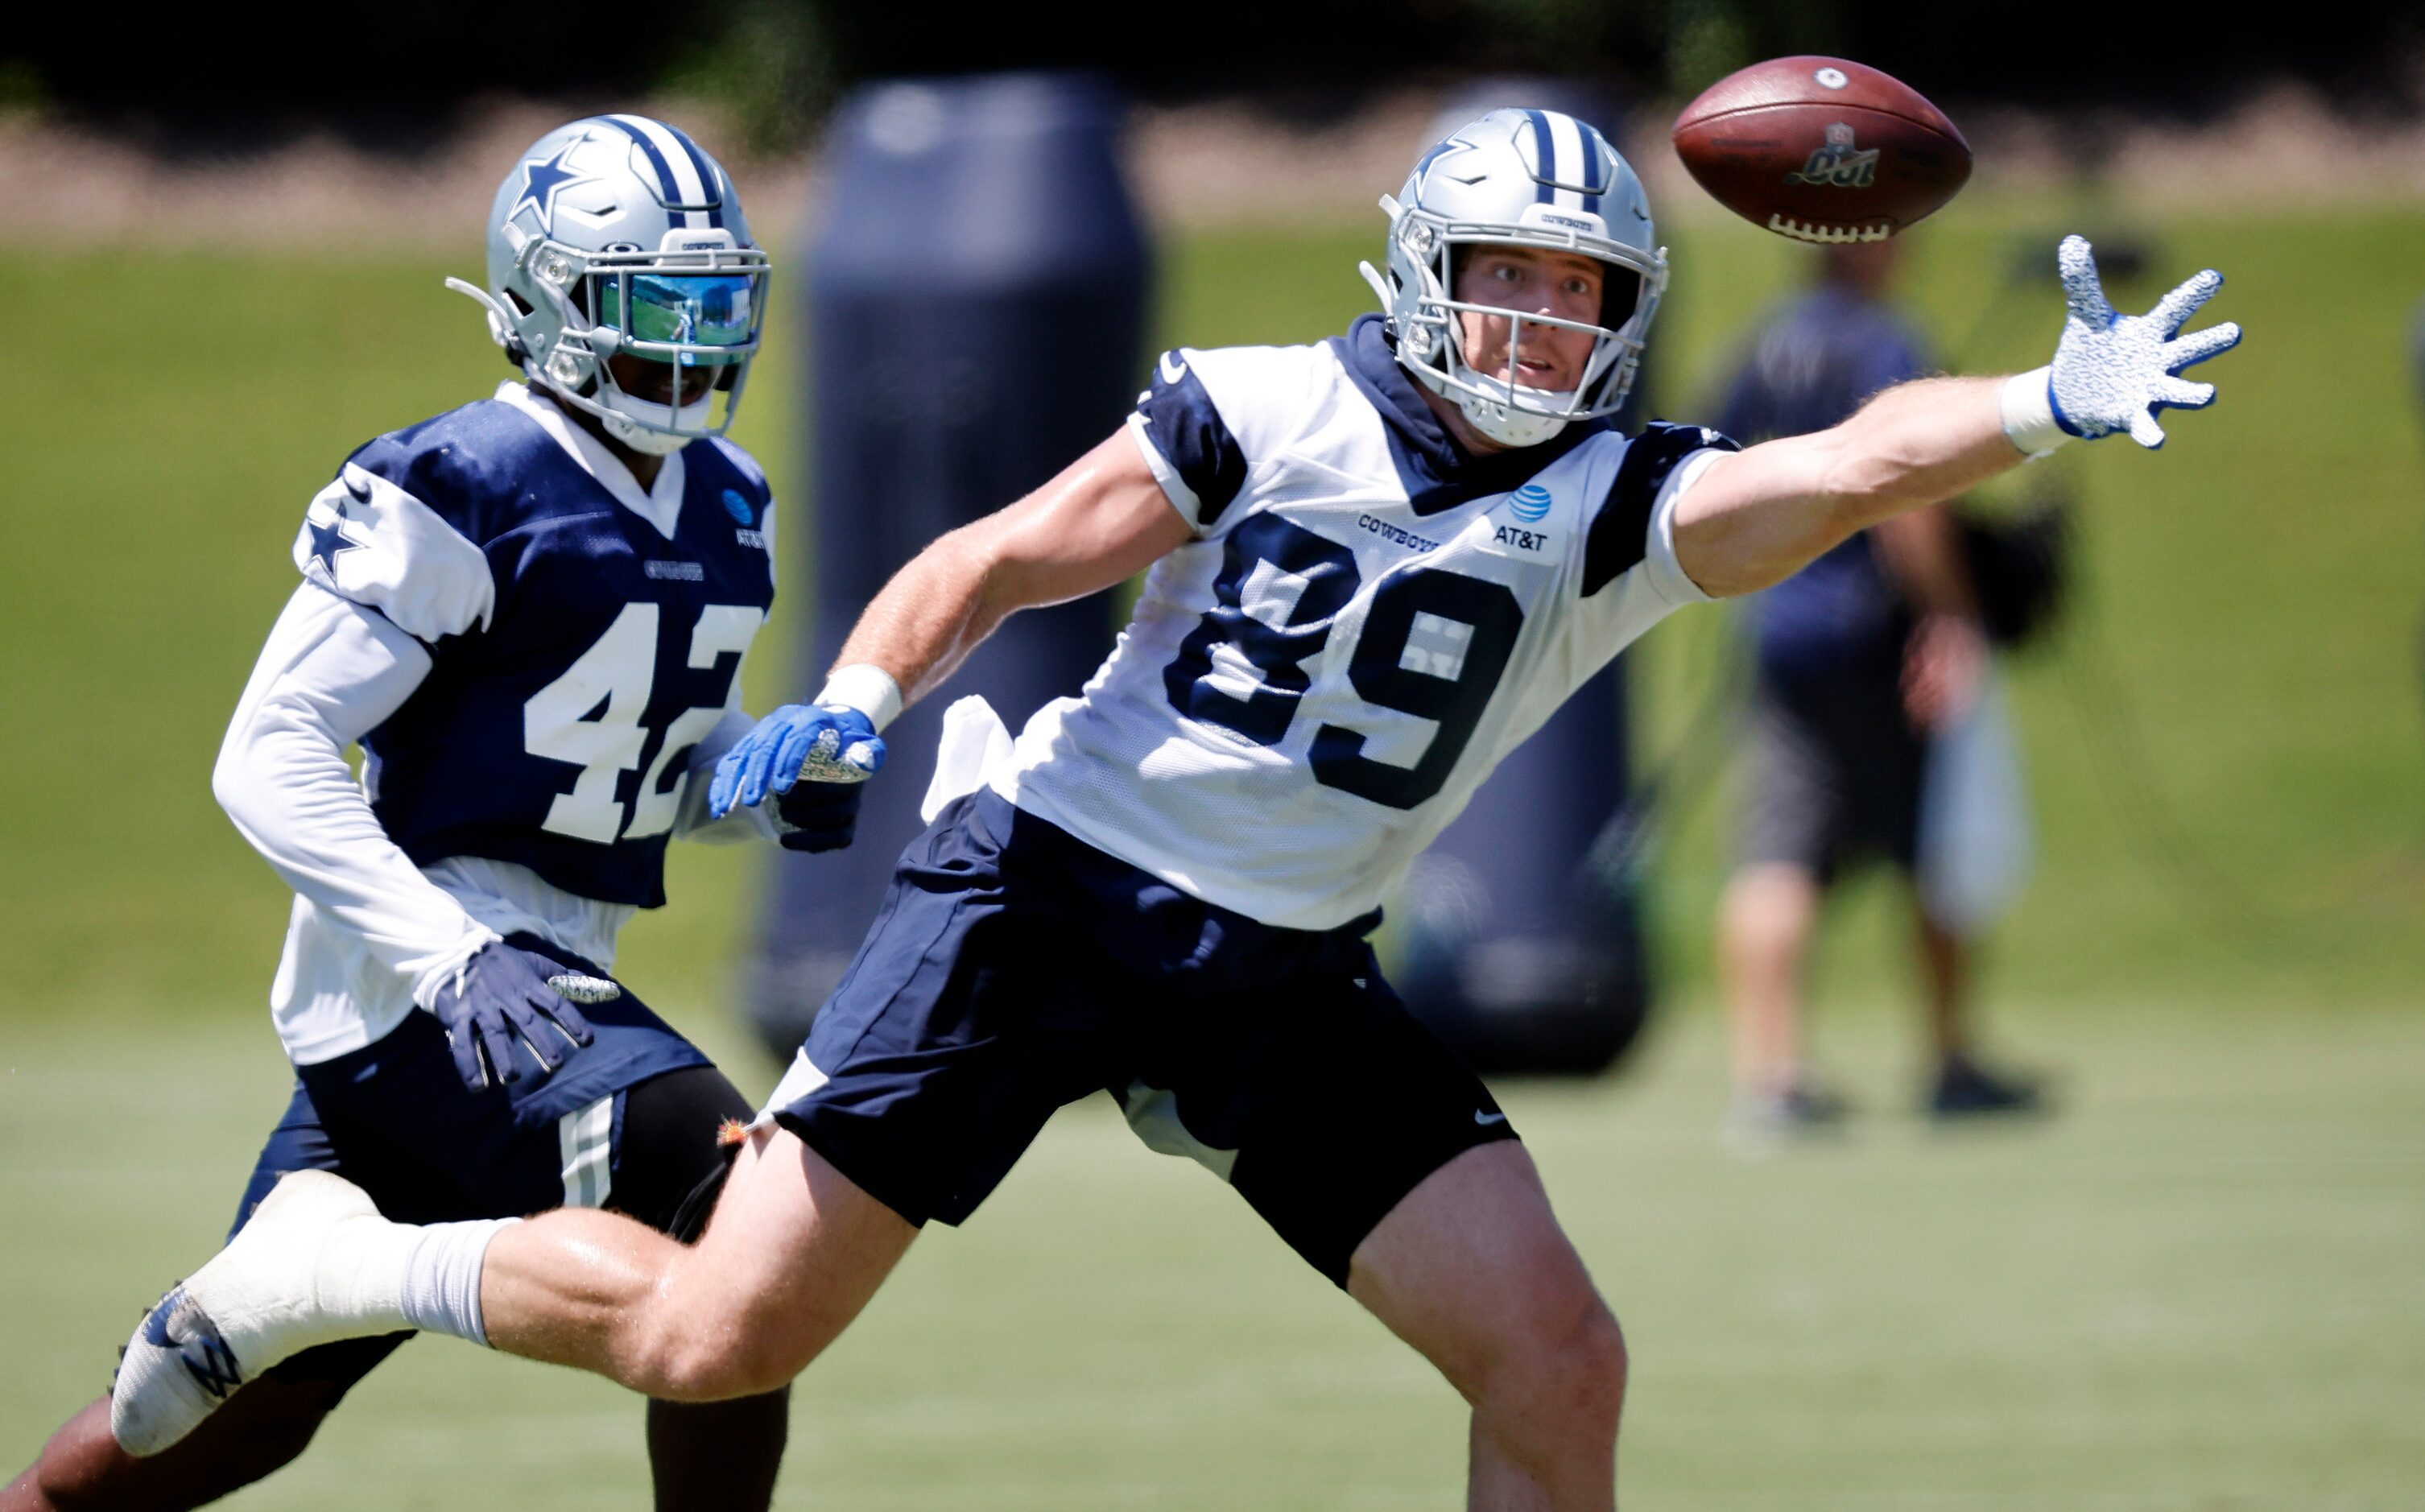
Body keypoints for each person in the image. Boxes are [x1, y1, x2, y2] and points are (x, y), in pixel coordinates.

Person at [107, 108, 2240, 1509]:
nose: (1537, 319)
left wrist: (2041, 404)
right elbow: (1000, 557)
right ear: (1419, 263)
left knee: (1559, 1359)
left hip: (1282, 975)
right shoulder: (1268, 401)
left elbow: (1853, 459)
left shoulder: (1612, 501)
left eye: (1580, 292)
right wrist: (860, 695)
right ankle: (335, 1269)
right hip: (1037, 896)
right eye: (1503, 273)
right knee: (711, 1330)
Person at [3, 115, 843, 1512]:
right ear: (550, 305)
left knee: (230, 1426)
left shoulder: (727, 498)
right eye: (655, 308)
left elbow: (654, 757)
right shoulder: (461, 482)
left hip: (522, 981)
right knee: (736, 1219)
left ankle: (308, 1273)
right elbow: (269, 750)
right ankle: (332, 1263)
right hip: (436, 975)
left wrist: (766, 783)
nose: (694, 346)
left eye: (716, 306)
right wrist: (447, 951)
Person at [1711, 238, 2043, 1134]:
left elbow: (1715, 471)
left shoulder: (1763, 343)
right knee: (1931, 846)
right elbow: (1911, 499)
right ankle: (1952, 1057)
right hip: (1875, 637)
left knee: (1777, 853)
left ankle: (1770, 1077)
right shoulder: (1887, 345)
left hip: (1781, 631)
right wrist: (1950, 615)